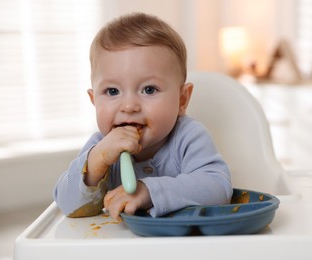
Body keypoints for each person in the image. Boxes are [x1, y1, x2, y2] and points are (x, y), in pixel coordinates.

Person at [53, 12, 232, 221]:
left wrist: (149, 191)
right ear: (94, 100)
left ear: (182, 100)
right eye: (112, 91)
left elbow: (218, 189)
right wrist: (94, 164)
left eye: (149, 89)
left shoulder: (189, 137)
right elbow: (67, 205)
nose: (129, 106)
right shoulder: (100, 147)